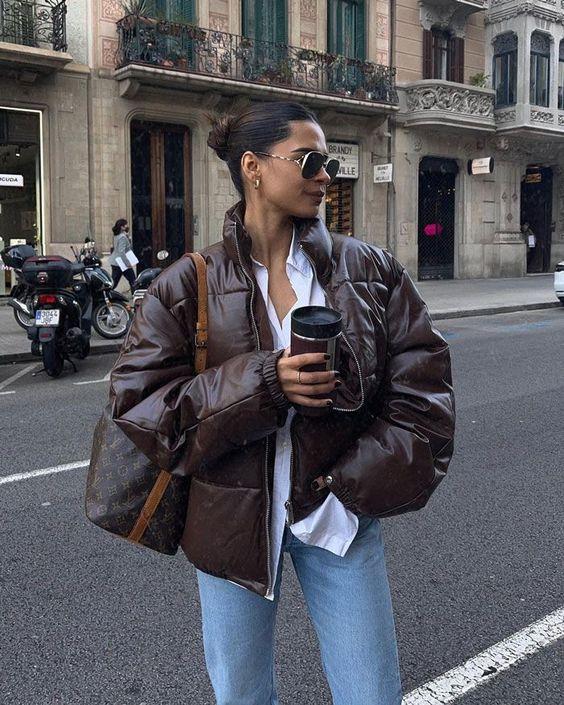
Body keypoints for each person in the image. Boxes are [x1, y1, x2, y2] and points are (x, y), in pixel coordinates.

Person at [109, 102, 456, 705]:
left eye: (330, 163)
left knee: (372, 694)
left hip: (336, 517)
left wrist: (348, 487)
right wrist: (263, 384)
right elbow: (141, 408)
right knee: (242, 697)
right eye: (309, 160)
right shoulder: (187, 283)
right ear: (253, 167)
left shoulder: (368, 270)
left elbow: (423, 392)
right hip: (230, 525)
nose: (325, 176)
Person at [107, 218, 136, 295]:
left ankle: (106, 294)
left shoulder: (116, 236)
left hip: (116, 262)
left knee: (114, 282)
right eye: (126, 225)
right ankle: (136, 296)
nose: (127, 226)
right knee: (133, 280)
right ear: (122, 227)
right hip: (121, 263)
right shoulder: (122, 237)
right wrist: (127, 263)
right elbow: (121, 252)